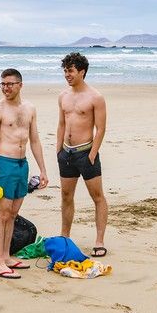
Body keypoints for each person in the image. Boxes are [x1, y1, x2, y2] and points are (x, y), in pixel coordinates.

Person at [0, 68, 49, 279]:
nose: (5, 88)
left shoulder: (30, 108)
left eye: (10, 84)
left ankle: (7, 256)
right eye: (2, 84)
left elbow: (35, 140)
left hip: (22, 165)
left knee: (12, 214)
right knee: (2, 214)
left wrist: (43, 170)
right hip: (4, 164)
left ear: (20, 85)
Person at [56, 52, 109, 257]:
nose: (67, 74)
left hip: (86, 153)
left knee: (97, 197)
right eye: (65, 71)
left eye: (70, 70)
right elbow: (61, 123)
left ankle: (99, 240)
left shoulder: (96, 97)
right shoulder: (63, 96)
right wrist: (58, 149)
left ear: (82, 72)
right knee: (66, 196)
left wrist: (93, 153)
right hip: (66, 154)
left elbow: (101, 128)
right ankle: (65, 237)